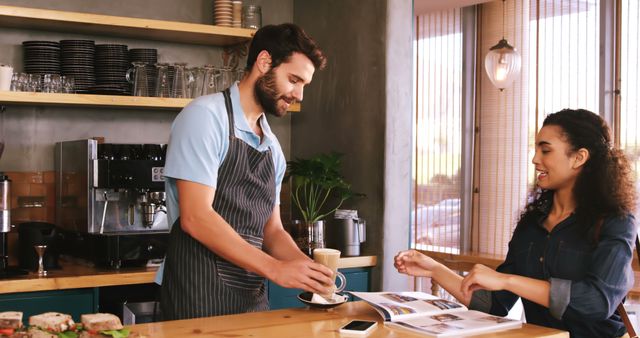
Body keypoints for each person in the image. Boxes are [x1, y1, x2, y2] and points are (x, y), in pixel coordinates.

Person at [395, 109, 637, 338]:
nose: (535, 159)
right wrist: (434, 268)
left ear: (579, 157)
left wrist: (507, 280)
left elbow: (596, 302)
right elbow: (493, 304)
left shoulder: (616, 221)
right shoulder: (532, 224)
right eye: (536, 150)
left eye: (545, 151)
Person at [159, 23, 334, 320]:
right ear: (264, 63)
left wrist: (308, 271)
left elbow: (272, 229)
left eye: (304, 84)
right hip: (195, 294)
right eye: (294, 79)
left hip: (251, 299)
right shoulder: (204, 117)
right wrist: (275, 268)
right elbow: (196, 217)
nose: (299, 94)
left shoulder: (272, 147)